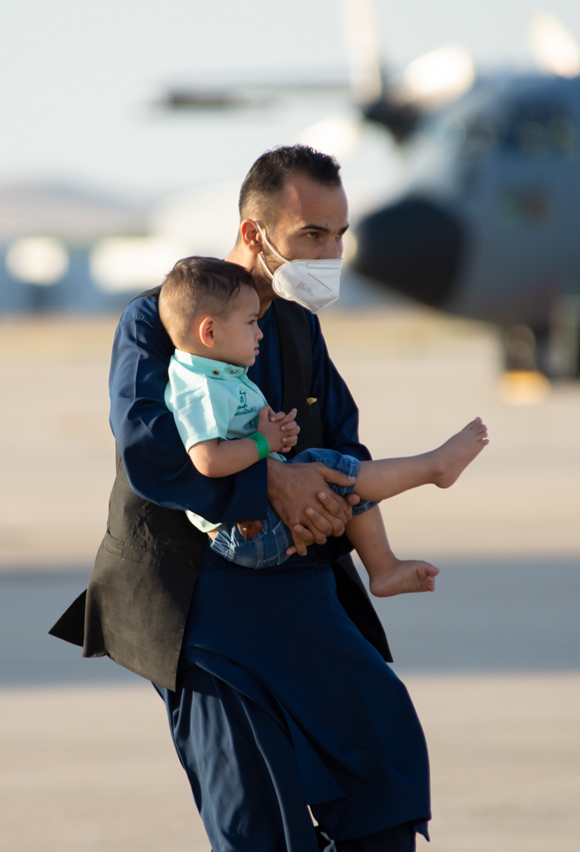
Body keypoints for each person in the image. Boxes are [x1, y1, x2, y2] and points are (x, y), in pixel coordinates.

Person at [53, 145, 451, 850]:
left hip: (299, 587)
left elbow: (345, 447)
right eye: (312, 237)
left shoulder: (297, 326)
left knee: (383, 772)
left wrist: (328, 507)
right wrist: (273, 477)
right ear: (253, 233)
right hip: (199, 606)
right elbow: (151, 452)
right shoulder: (159, 321)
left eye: (339, 235)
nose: (331, 254)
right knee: (256, 819)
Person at [159, 255, 488, 594]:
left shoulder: (218, 374)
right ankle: (433, 470)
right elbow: (209, 461)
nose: (260, 333)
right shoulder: (200, 389)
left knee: (332, 473)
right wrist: (264, 443)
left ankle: (385, 565)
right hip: (245, 534)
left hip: (253, 518)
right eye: (250, 323)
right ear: (210, 331)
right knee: (330, 468)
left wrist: (273, 432)